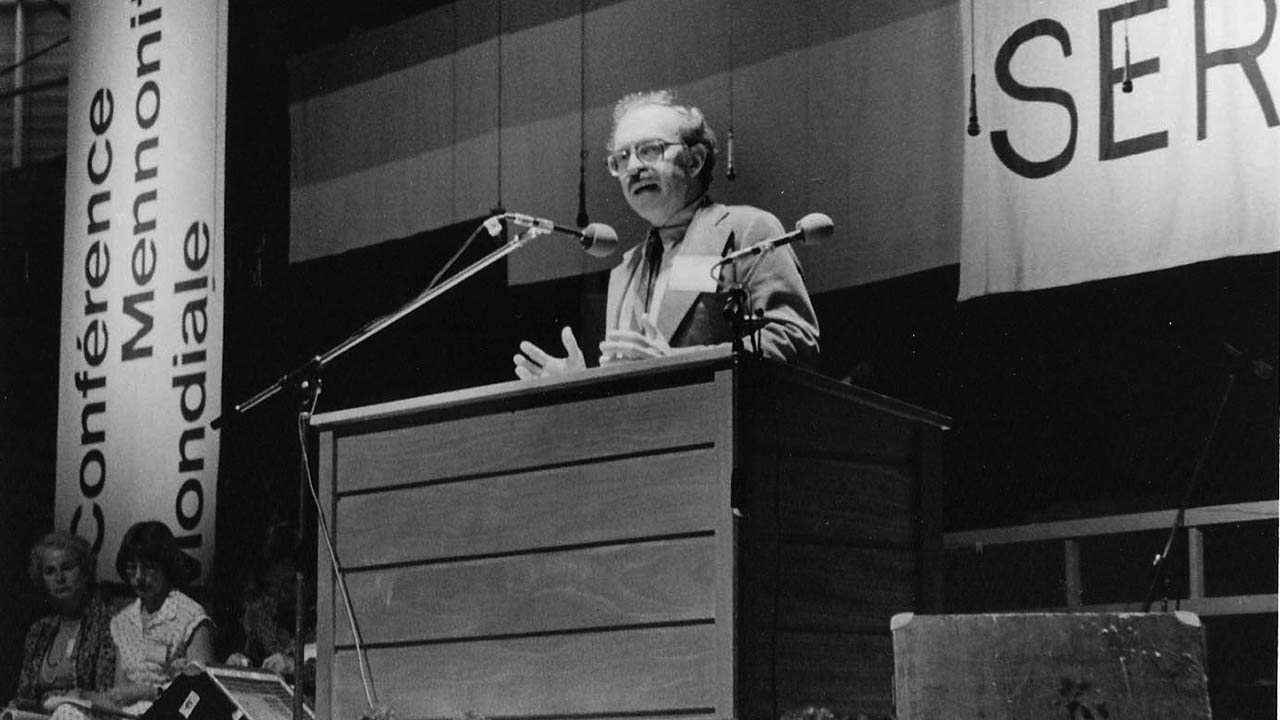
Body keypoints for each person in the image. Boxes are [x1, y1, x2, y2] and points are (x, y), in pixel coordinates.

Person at [513, 89, 819, 379]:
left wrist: (678, 364)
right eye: (622, 157)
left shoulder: (748, 230)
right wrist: (580, 382)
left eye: (649, 150)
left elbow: (795, 338)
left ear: (694, 160)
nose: (633, 166)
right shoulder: (625, 271)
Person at [103, 521, 214, 715]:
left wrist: (150, 692)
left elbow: (201, 689)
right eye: (131, 567)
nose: (139, 577)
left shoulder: (190, 614)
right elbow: (120, 690)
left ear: (166, 567)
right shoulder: (122, 621)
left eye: (148, 567)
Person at [9, 532, 116, 709]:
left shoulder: (107, 624)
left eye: (67, 568)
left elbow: (105, 694)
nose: (59, 578)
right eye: (50, 571)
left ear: (85, 572)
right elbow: (24, 694)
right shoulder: (39, 630)